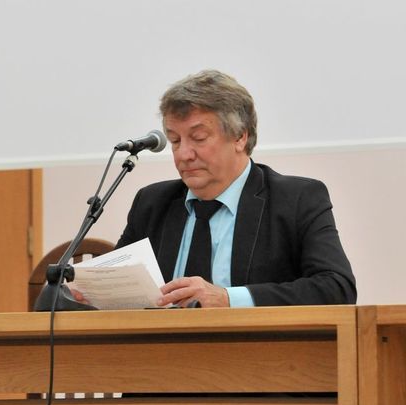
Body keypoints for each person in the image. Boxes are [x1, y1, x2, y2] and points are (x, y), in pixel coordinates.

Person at [111, 70, 356, 307]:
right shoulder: (152, 203)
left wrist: (228, 299)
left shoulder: (296, 200)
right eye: (175, 141)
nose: (183, 154)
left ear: (239, 137)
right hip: (162, 337)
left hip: (256, 336)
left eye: (198, 138)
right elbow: (114, 290)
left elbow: (336, 288)